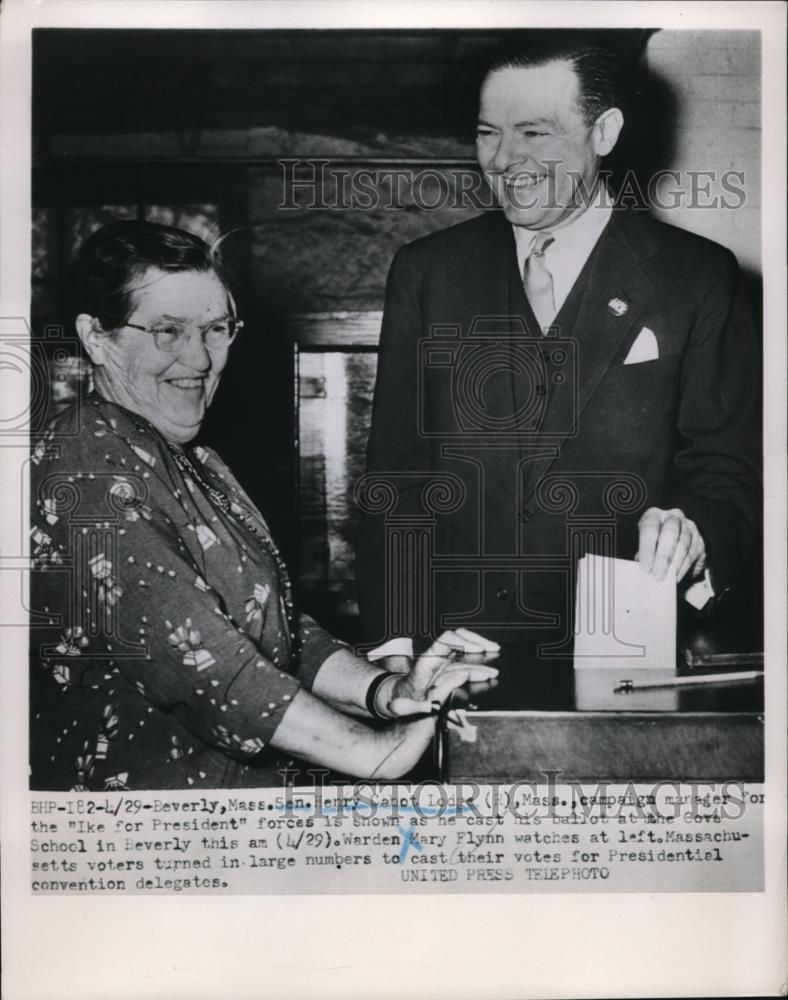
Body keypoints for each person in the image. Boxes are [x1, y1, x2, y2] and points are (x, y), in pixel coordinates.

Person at [29, 220, 498, 791]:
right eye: (168, 331)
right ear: (96, 337)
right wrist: (380, 753)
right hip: (145, 837)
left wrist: (386, 693)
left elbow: (269, 630)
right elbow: (208, 664)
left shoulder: (190, 457)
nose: (200, 359)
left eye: (216, 329)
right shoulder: (86, 457)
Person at [357, 33, 759, 665]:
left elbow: (728, 470)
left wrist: (696, 528)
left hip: (632, 646)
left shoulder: (699, 277)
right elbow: (395, 476)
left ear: (605, 132)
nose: (505, 159)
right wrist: (393, 645)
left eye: (535, 134)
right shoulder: (427, 273)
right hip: (455, 654)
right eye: (488, 132)